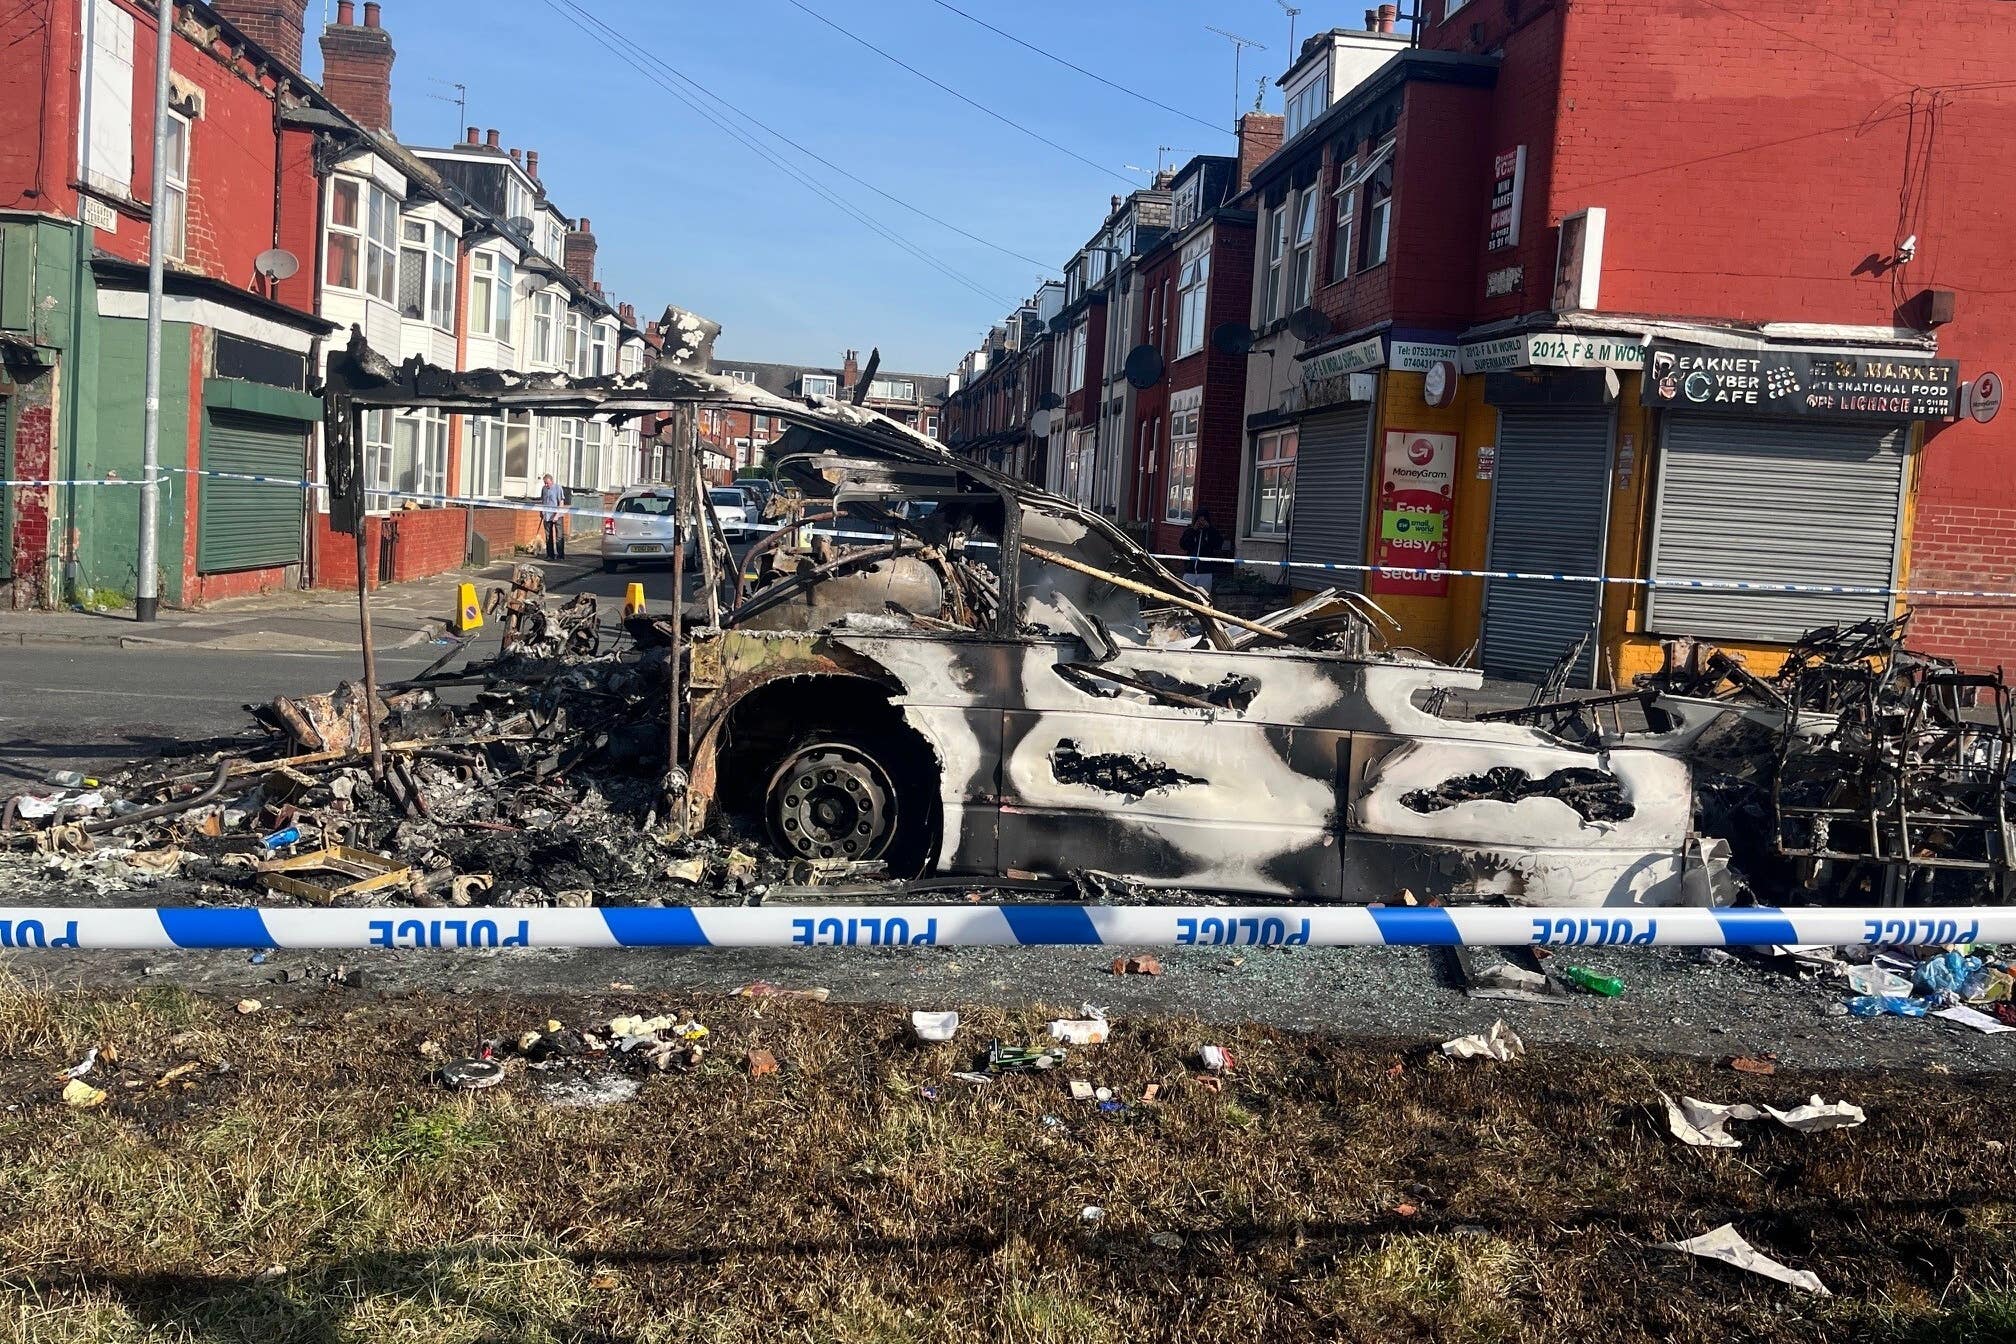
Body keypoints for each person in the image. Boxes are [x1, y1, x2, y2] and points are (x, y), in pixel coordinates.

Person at [1179, 507, 1224, 578]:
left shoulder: (1212, 532)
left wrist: (1209, 529)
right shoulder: (1189, 531)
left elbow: (1218, 544)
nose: (1201, 523)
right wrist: (1193, 531)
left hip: (1206, 570)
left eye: (1203, 520)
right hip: (1190, 570)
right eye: (1199, 520)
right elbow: (1183, 545)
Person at [538, 474, 567, 559]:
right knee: (548, 536)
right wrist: (541, 512)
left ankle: (560, 555)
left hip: (557, 515)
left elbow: (561, 502)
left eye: (547, 483)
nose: (546, 485)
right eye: (545, 483)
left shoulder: (558, 488)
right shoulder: (544, 489)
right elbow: (542, 501)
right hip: (547, 515)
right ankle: (550, 554)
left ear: (551, 481)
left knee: (559, 536)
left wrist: (557, 515)